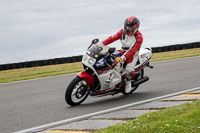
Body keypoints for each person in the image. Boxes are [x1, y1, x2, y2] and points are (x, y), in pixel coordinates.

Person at [94, 16, 143, 93]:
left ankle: (128, 81)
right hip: (123, 50)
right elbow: (111, 38)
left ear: (136, 27)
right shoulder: (122, 32)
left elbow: (132, 50)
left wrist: (122, 58)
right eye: (127, 27)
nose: (128, 29)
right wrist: (99, 44)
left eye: (131, 28)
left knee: (129, 69)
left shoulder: (139, 37)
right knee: (108, 59)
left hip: (132, 55)